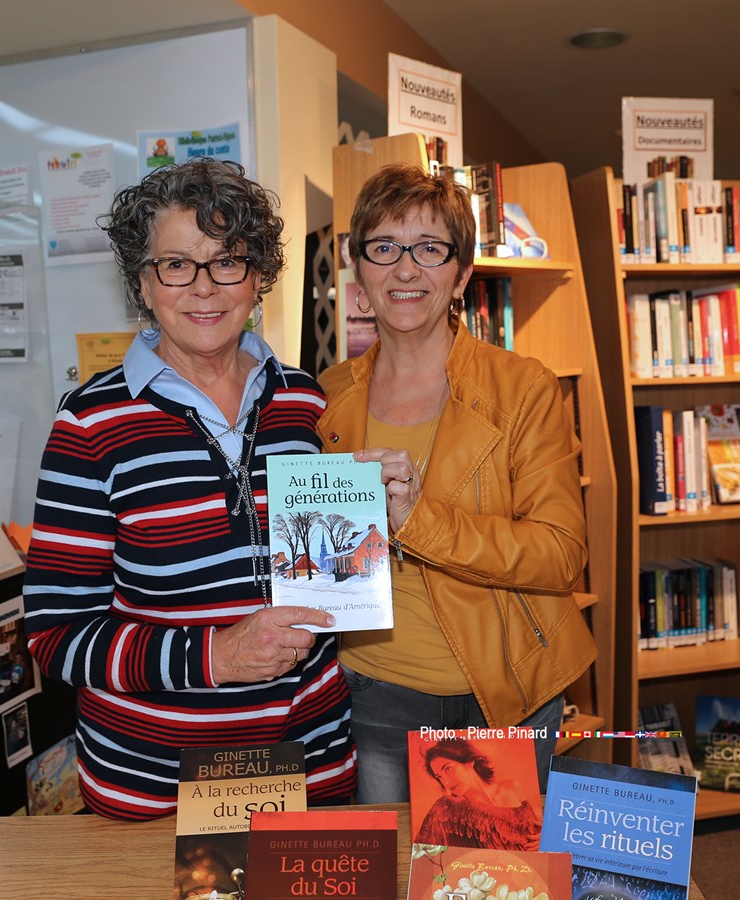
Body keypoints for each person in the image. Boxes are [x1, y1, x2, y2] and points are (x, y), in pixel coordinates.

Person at [23, 158, 356, 820]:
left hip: (311, 766)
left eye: (226, 261)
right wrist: (216, 656)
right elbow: (55, 635)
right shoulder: (90, 423)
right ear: (143, 285)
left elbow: (333, 580)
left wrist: (382, 526)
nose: (203, 288)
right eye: (175, 265)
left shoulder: (306, 402)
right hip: (158, 787)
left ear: (257, 277)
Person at [316, 163, 597, 801]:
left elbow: (560, 553)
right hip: (373, 692)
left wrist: (419, 519)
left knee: (497, 886)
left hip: (505, 695)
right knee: (390, 884)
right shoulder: (323, 399)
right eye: (384, 248)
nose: (406, 269)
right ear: (359, 272)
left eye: (430, 249)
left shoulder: (524, 388)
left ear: (462, 274)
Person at [414, 738, 541, 850]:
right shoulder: (449, 809)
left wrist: (545, 836)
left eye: (448, 768)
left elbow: (541, 822)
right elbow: (422, 853)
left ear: (469, 762)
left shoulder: (510, 787)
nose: (446, 782)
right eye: (439, 776)